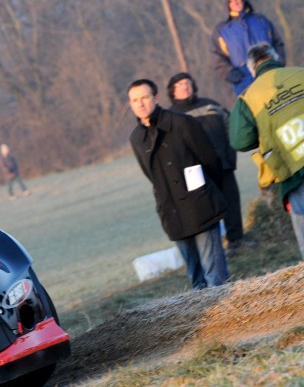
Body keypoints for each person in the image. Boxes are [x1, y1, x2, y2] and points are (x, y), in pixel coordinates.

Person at [127, 79, 229, 289]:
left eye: (145, 97)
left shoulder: (181, 123)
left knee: (215, 276)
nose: (141, 104)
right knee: (196, 279)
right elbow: (151, 175)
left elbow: (210, 159)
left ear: (156, 98)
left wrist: (206, 192)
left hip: (200, 206)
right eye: (135, 100)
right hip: (172, 211)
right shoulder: (136, 137)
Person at [229, 43, 304, 260]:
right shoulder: (300, 73)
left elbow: (240, 140)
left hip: (293, 172)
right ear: (276, 57)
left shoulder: (248, 97)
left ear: (252, 70)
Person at [166, 72, 245, 250]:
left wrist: (230, 154)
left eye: (187, 83)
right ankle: (214, 247)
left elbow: (230, 125)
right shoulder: (171, 116)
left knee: (231, 202)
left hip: (223, 164)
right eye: (179, 85)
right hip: (197, 173)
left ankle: (237, 240)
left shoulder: (211, 105)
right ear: (172, 91)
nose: (185, 87)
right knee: (207, 210)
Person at [210, 0, 286, 97]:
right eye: (231, 1)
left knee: (279, 101)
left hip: (269, 67)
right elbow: (217, 57)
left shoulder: (260, 20)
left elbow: (277, 42)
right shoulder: (221, 30)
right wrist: (231, 74)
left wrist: (280, 61)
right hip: (243, 77)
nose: (235, 2)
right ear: (227, 5)